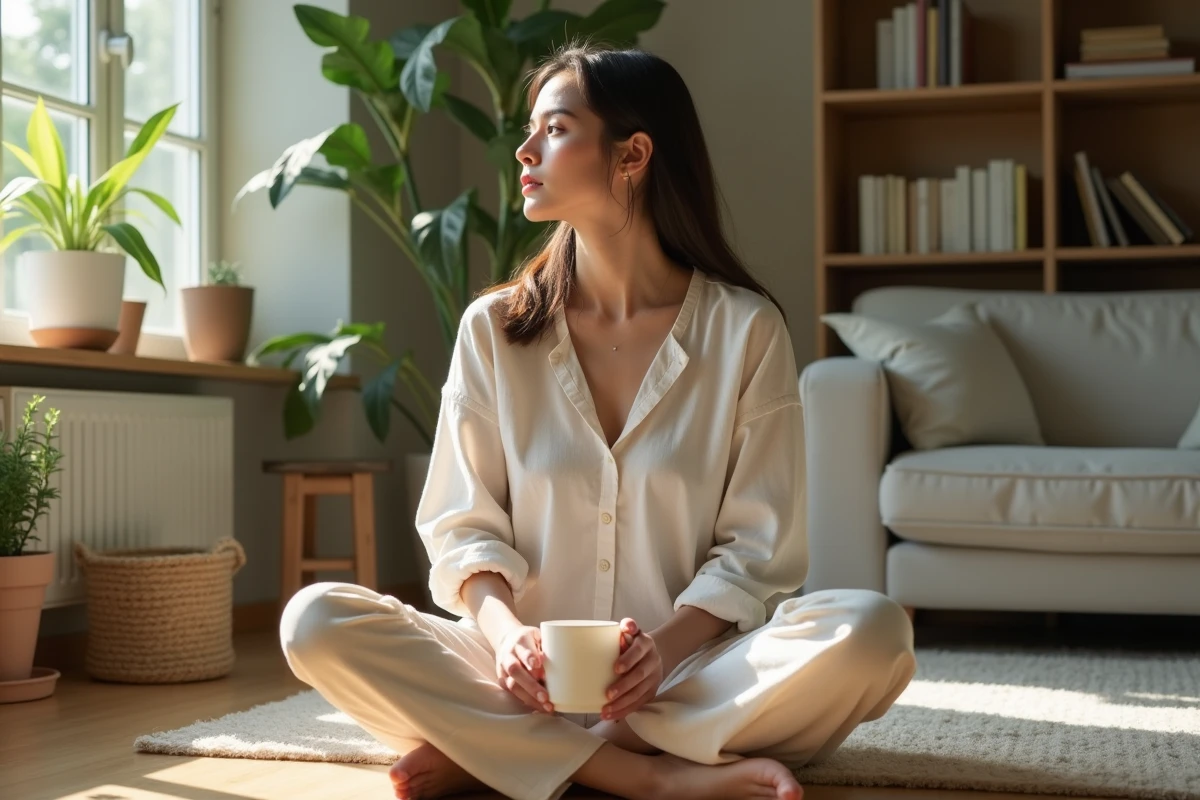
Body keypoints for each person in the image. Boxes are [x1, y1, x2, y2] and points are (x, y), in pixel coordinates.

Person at [279, 40, 916, 800]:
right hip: (517, 677)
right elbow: (462, 527)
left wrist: (660, 653)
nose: (524, 150)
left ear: (632, 154)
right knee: (313, 620)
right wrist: (508, 640)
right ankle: (643, 775)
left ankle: (505, 752)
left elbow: (758, 552)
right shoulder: (494, 330)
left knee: (873, 632)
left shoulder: (745, 330)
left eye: (554, 129)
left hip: (685, 672)